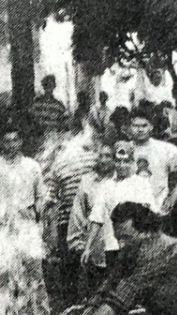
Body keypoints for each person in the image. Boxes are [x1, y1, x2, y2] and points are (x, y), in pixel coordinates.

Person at [43, 113, 101, 299]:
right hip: (67, 220)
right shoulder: (58, 162)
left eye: (71, 132)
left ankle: (93, 301)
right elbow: (51, 197)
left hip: (93, 218)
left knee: (95, 263)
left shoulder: (95, 157)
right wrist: (50, 227)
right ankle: (71, 303)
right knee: (69, 266)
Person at [81, 141, 156, 271]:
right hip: (113, 246)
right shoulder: (106, 186)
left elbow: (151, 214)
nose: (121, 165)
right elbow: (96, 218)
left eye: (126, 161)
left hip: (136, 245)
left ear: (132, 161)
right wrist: (88, 247)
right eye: (118, 161)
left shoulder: (142, 184)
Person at [67, 144, 115, 296]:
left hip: (117, 247)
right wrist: (78, 244)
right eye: (101, 156)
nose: (104, 160)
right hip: (95, 248)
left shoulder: (121, 180)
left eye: (108, 156)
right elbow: (78, 213)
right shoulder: (87, 181)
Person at [127, 107, 177, 215]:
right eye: (136, 126)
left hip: (158, 208)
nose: (140, 130)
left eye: (144, 125)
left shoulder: (164, 148)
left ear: (151, 127)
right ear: (129, 127)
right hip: (131, 210)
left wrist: (174, 194)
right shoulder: (125, 149)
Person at [0, 127, 46, 221]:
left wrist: (36, 211)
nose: (12, 145)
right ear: (1, 143)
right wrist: (11, 211)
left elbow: (40, 195)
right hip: (3, 224)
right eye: (7, 141)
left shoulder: (32, 166)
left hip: (27, 223)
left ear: (20, 142)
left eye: (15, 140)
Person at [26, 74, 69, 158]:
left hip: (54, 137)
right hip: (39, 137)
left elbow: (65, 124)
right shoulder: (36, 103)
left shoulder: (59, 105)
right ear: (43, 87)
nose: (49, 88)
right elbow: (30, 121)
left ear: (54, 86)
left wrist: (60, 137)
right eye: (46, 85)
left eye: (51, 85)